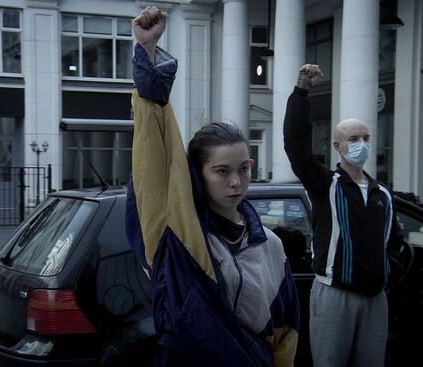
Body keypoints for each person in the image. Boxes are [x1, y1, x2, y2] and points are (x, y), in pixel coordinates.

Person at [125, 6, 299, 367]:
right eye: (221, 171)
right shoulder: (177, 239)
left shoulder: (272, 247)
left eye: (244, 169)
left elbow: (285, 330)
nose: (236, 182)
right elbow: (154, 160)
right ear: (197, 175)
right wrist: (148, 57)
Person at [283, 64, 405, 367]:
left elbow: (395, 242)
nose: (360, 144)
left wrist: (387, 271)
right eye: (352, 139)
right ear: (338, 146)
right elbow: (295, 145)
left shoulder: (383, 195)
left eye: (365, 137)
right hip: (334, 295)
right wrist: (302, 91)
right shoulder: (326, 185)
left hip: (376, 299)